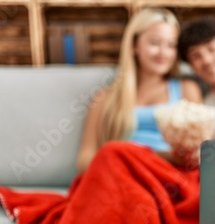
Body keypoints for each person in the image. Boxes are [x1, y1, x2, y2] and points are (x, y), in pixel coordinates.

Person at [77, 8, 203, 174]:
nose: (163, 53)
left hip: (166, 176)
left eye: (171, 45)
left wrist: (182, 156)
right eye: (155, 43)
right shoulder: (105, 98)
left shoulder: (187, 90)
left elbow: (201, 152)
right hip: (121, 176)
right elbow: (84, 160)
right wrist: (121, 161)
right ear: (134, 45)